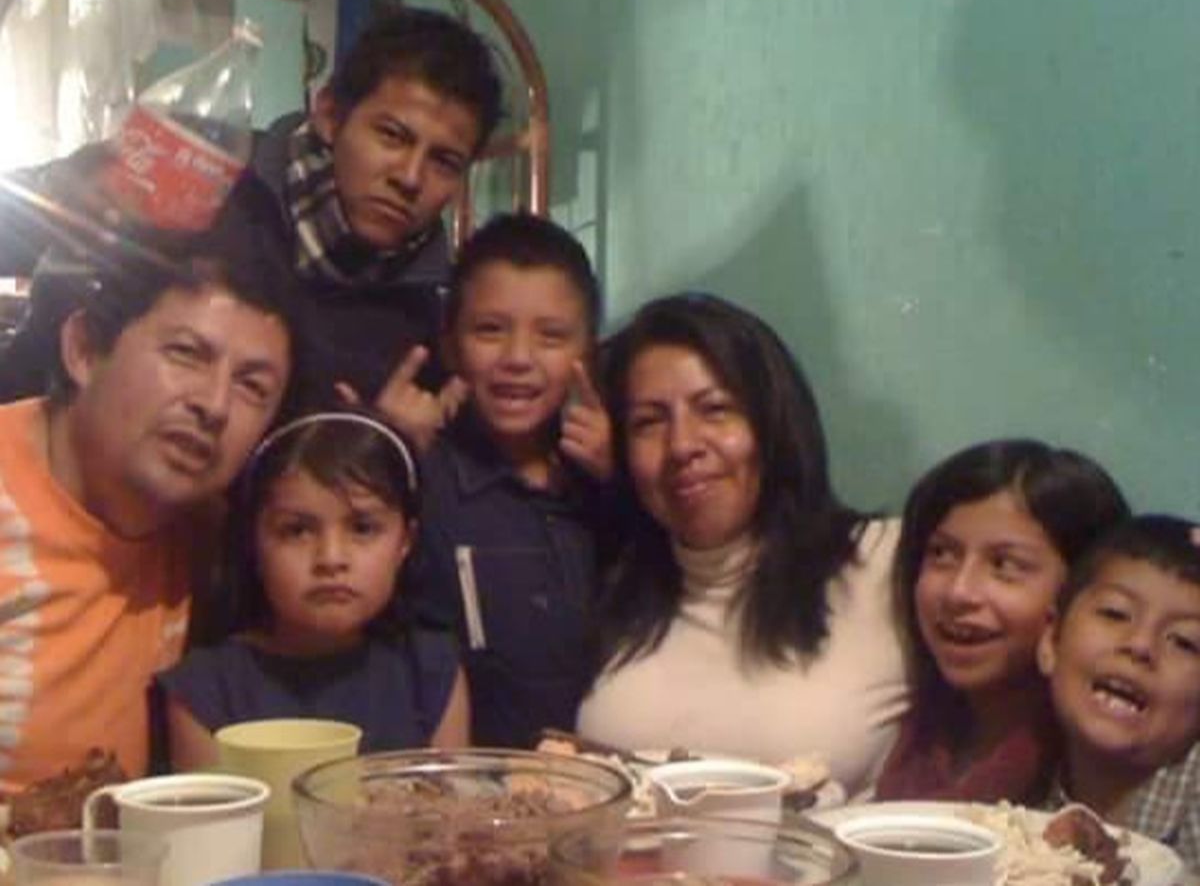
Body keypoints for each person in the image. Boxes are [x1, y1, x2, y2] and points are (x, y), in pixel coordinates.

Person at [1, 6, 503, 447]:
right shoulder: (207, 172)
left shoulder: (426, 323)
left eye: (444, 161)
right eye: (392, 136)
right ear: (330, 114)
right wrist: (74, 192)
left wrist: (383, 449)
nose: (410, 177)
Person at [0, 176, 301, 790]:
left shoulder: (214, 534)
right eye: (187, 354)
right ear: (85, 349)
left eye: (252, 386)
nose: (214, 405)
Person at [576, 293, 908, 800]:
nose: (682, 445)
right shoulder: (611, 580)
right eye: (648, 422)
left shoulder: (887, 563)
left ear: (773, 424)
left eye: (715, 409)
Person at [159, 410, 468, 770]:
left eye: (363, 528)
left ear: (405, 541)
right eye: (297, 531)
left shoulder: (429, 672)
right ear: (253, 543)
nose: (331, 559)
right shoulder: (208, 688)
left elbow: (449, 801)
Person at [408, 212, 612, 749]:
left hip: (607, 779)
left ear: (587, 351)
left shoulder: (608, 483)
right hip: (469, 782)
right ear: (450, 344)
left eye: (552, 336)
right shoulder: (423, 483)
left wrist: (621, 482)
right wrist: (384, 452)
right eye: (490, 330)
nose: (518, 358)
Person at [874, 439, 1130, 804]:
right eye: (942, 554)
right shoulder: (922, 731)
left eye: (1005, 565)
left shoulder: (1097, 761)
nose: (959, 592)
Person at [1038, 514, 1200, 872]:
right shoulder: (1020, 790)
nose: (1140, 645)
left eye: (1184, 642)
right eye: (1115, 614)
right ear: (1050, 639)